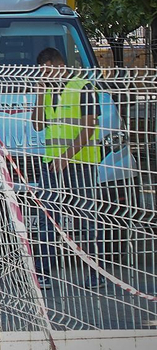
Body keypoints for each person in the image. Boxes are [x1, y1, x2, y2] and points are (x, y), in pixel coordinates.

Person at [29, 47, 104, 288]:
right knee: (47, 217)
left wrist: (66, 157)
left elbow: (89, 127)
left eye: (47, 71)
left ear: (59, 66)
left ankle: (96, 272)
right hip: (52, 163)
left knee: (86, 218)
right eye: (41, 73)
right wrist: (40, 94)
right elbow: (38, 126)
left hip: (81, 162)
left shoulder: (83, 88)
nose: (44, 77)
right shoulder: (49, 90)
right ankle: (43, 272)